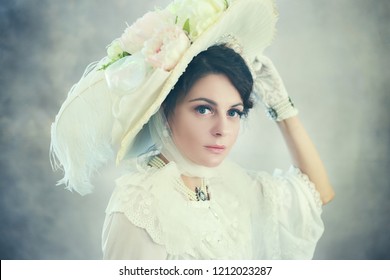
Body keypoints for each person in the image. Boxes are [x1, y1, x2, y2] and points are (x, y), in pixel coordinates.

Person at [50, 0, 334, 260]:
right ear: (165, 109)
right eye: (203, 109)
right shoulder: (140, 207)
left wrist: (282, 108)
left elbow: (317, 193)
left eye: (234, 112)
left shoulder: (226, 186)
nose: (223, 129)